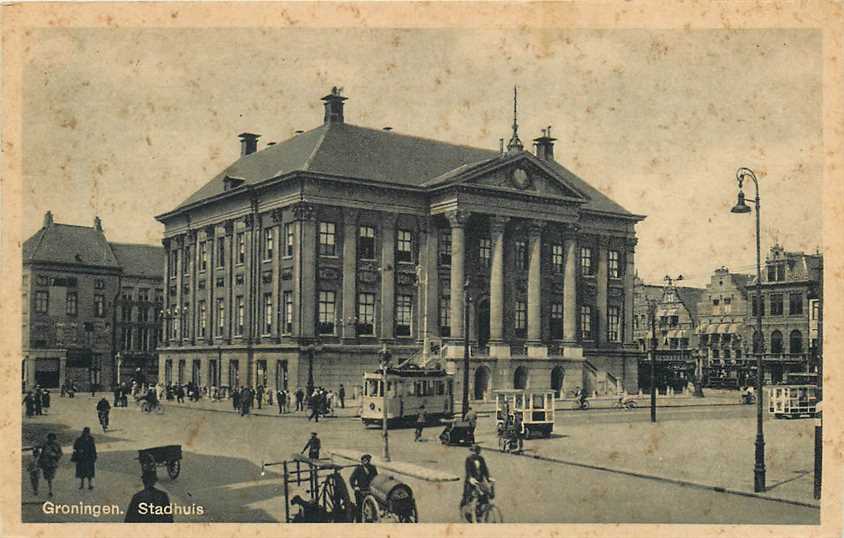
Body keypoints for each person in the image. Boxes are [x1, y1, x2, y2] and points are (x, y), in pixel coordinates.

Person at [461, 444, 492, 510]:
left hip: (480, 480)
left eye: (477, 451)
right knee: (470, 496)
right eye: (474, 451)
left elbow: (485, 469)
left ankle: (480, 511)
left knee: (485, 494)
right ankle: (467, 509)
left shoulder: (481, 459)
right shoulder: (469, 459)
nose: (475, 453)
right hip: (471, 481)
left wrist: (488, 478)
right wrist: (471, 478)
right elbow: (468, 470)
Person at [349, 454, 378, 522]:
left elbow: (376, 478)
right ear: (362, 461)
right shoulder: (358, 469)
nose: (366, 462)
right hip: (360, 491)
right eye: (364, 461)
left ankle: (371, 519)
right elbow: (351, 479)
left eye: (367, 460)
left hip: (370, 490)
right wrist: (355, 487)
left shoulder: (373, 468)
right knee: (360, 507)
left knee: (372, 505)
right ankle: (359, 521)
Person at [38, 432, 63, 497]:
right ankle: (50, 490)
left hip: (53, 463)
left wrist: (55, 456)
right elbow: (41, 452)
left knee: (50, 477)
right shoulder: (45, 444)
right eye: (50, 438)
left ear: (54, 439)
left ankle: (50, 490)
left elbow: (60, 453)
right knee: (47, 477)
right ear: (48, 438)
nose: (51, 440)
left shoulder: (57, 445)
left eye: (52, 438)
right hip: (45, 463)